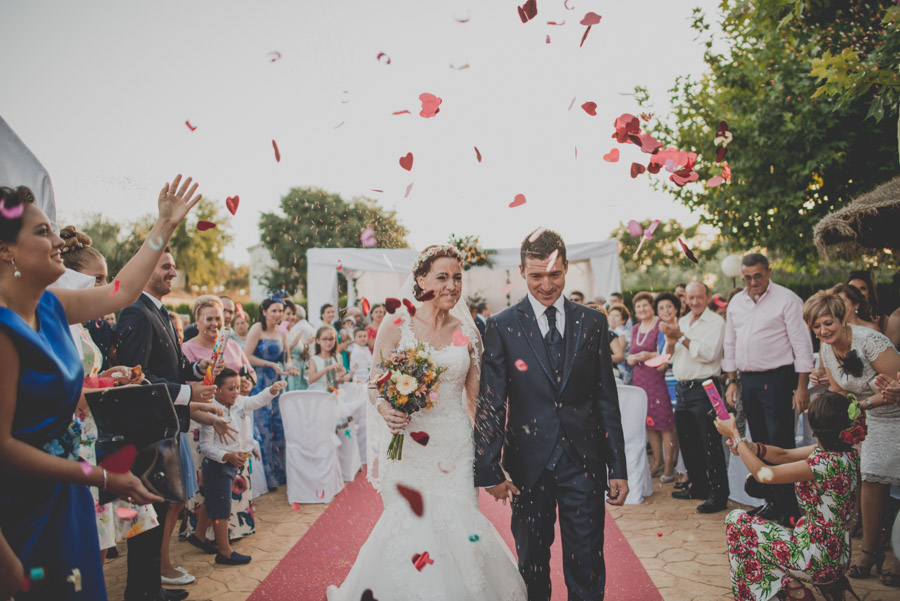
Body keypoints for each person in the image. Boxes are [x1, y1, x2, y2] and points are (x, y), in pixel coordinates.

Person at [0, 176, 199, 601]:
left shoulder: (51, 305)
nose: (59, 241)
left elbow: (123, 291)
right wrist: (102, 476)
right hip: (22, 505)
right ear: (5, 251)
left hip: (68, 493)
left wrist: (163, 224)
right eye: (42, 231)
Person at [327, 244, 527, 601]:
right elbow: (375, 381)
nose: (452, 285)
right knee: (411, 530)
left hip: (454, 446)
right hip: (409, 449)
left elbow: (479, 401)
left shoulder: (467, 331)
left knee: (458, 527)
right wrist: (385, 408)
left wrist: (496, 459)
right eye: (442, 277)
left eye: (457, 278)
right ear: (420, 280)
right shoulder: (396, 323)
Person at [476, 229, 628, 601]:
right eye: (536, 275)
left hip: (584, 463)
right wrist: (489, 468)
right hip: (528, 466)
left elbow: (606, 399)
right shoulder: (502, 325)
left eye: (555, 274)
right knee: (532, 564)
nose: (546, 284)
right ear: (522, 272)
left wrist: (619, 467)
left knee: (587, 561)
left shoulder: (593, 322)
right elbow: (492, 401)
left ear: (566, 269)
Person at [115, 243, 227, 597]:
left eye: (173, 266)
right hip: (146, 431)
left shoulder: (160, 312)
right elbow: (138, 376)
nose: (173, 272)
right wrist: (188, 394)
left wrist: (197, 369)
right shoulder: (135, 312)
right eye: (165, 266)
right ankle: (141, 592)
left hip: (166, 426)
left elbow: (174, 367)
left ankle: (151, 588)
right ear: (146, 268)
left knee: (160, 512)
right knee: (148, 519)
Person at [57, 227, 158, 565]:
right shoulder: (56, 320)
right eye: (96, 279)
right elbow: (62, 392)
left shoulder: (79, 323)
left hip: (95, 437)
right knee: (84, 548)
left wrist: (107, 377)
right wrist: (111, 390)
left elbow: (82, 379)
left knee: (98, 546)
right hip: (73, 443)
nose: (102, 288)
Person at [715, 392, 864, 601]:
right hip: (838, 555)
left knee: (737, 522)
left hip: (815, 558)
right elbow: (784, 455)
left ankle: (794, 590)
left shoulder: (821, 464)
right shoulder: (845, 454)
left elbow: (765, 474)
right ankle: (827, 585)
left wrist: (735, 435)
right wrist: (750, 447)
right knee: (762, 540)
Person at [803, 290, 900, 586]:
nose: (823, 331)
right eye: (816, 327)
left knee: (884, 479)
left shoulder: (870, 341)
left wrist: (866, 404)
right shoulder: (827, 347)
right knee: (868, 479)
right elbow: (842, 392)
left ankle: (896, 555)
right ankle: (870, 551)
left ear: (842, 318)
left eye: (828, 323)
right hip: (867, 418)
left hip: (895, 414)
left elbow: (898, 383)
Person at [723, 253, 814, 526]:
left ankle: (789, 509)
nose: (753, 282)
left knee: (781, 443)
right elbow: (730, 342)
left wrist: (802, 386)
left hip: (779, 379)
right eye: (747, 277)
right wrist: (731, 380)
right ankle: (770, 503)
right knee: (758, 443)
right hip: (748, 380)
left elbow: (802, 345)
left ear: (769, 272)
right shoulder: (736, 303)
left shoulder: (787, 299)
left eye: (758, 276)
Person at [181, 296, 260, 547]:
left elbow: (250, 375)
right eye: (209, 319)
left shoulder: (234, 346)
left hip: (235, 422)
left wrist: (247, 384)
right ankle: (204, 534)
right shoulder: (188, 349)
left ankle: (235, 527)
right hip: (204, 420)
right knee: (208, 478)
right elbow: (185, 389)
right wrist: (209, 376)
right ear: (198, 320)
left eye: (219, 318)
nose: (215, 324)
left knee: (233, 472)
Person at [195, 369, 286, 566]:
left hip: (233, 461)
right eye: (230, 388)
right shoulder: (210, 411)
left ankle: (199, 535)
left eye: (237, 387)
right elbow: (206, 447)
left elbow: (256, 400)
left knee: (212, 501)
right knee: (221, 509)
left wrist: (272, 389)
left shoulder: (240, 403)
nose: (236, 392)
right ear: (217, 390)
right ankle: (224, 552)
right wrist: (227, 455)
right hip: (218, 465)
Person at [662, 282, 729, 512]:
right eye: (690, 298)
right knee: (688, 441)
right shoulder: (681, 321)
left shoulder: (716, 322)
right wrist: (671, 341)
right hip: (683, 388)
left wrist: (681, 337)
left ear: (708, 296)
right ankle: (698, 485)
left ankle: (718, 493)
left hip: (706, 387)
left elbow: (710, 355)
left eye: (699, 297)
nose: (694, 302)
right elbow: (668, 358)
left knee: (710, 442)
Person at [245, 298, 296, 491]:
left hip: (277, 383)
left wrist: (289, 367)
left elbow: (286, 357)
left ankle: (280, 472)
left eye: (280, 311)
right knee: (263, 427)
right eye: (274, 310)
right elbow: (247, 356)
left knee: (279, 428)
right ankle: (266, 476)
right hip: (260, 383)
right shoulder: (257, 328)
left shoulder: (282, 330)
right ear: (264, 311)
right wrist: (270, 364)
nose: (278, 314)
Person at [628, 291, 677, 480]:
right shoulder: (635, 329)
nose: (641, 309)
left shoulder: (660, 326)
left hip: (658, 377)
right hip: (640, 378)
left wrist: (648, 356)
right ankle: (657, 462)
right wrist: (631, 358)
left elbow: (665, 353)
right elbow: (630, 352)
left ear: (652, 307)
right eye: (638, 306)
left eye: (645, 305)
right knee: (649, 423)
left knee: (664, 422)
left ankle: (669, 466)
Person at [654, 291, 684, 485]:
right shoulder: (658, 331)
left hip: (680, 376)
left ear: (676, 308)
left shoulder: (683, 326)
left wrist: (664, 361)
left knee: (681, 424)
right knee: (673, 424)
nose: (665, 311)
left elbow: (669, 357)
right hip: (666, 379)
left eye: (669, 307)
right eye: (661, 308)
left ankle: (680, 467)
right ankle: (672, 464)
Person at [307, 325, 349, 392]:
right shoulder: (314, 359)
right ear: (318, 340)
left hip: (335, 392)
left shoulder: (338, 357)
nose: (328, 342)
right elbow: (311, 380)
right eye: (324, 339)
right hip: (319, 393)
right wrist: (327, 368)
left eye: (331, 339)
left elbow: (342, 378)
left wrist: (342, 377)